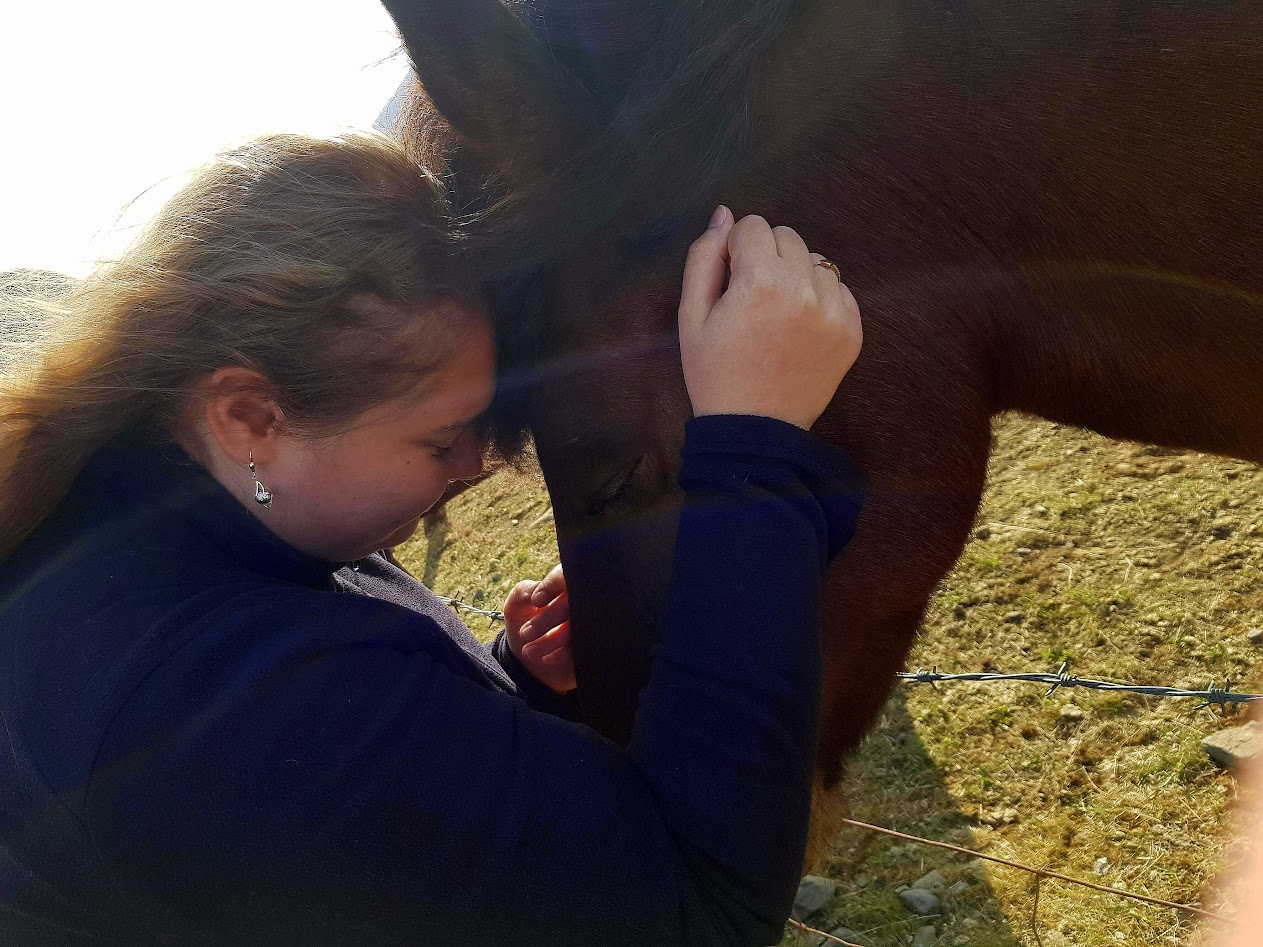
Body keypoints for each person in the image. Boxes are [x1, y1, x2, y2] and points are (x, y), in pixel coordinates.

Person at [0, 131, 864, 945]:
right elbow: (696, 908)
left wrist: (507, 682)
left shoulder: (173, 518)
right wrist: (756, 443)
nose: (474, 462)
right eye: (438, 437)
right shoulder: (197, 712)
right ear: (249, 415)